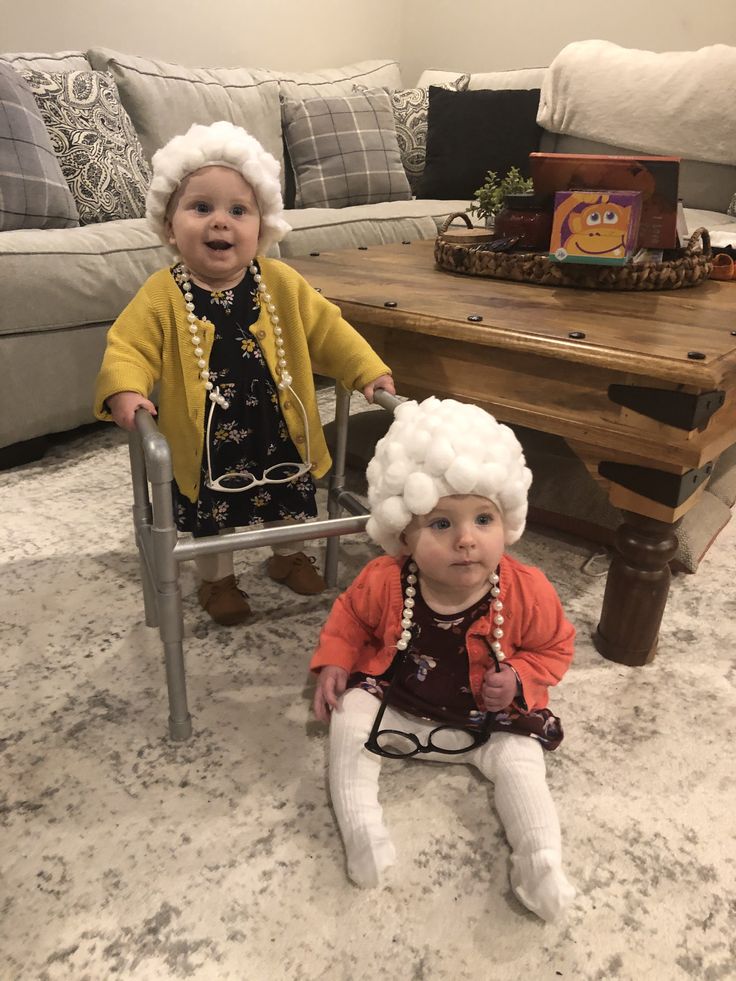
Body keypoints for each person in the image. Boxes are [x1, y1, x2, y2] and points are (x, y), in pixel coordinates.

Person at [94, 121, 394, 625]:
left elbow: (329, 331)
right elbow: (129, 345)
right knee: (212, 516)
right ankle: (217, 581)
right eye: (201, 208)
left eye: (239, 210)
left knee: (288, 497)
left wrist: (366, 370)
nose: (220, 223)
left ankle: (288, 556)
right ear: (170, 227)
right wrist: (125, 388)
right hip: (207, 439)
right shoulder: (162, 293)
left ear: (263, 226)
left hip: (275, 427)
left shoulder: (281, 282)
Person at [311, 397, 576, 922]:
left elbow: (556, 646)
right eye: (440, 524)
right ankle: (361, 827)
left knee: (524, 769)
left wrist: (519, 677)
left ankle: (541, 860)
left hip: (490, 719)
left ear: (508, 523)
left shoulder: (528, 590)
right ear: (403, 534)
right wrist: (336, 662)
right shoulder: (385, 579)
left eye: (483, 519)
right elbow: (351, 620)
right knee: (347, 719)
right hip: (400, 701)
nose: (466, 539)